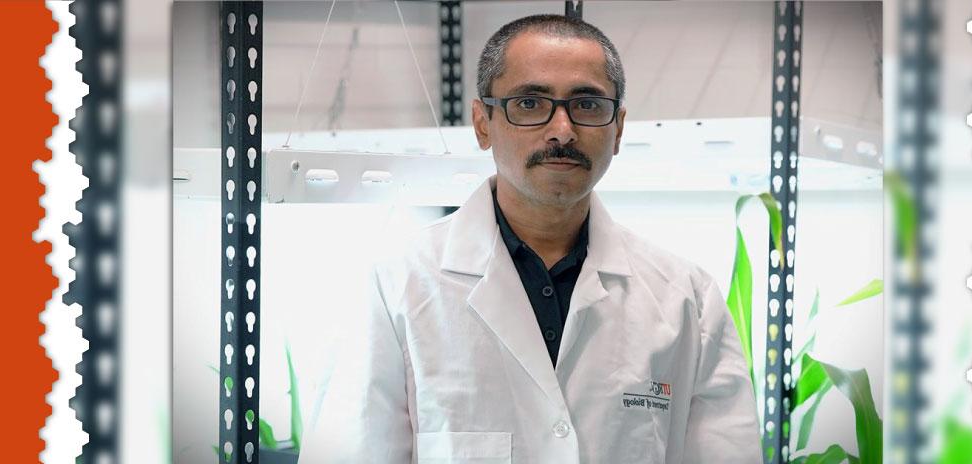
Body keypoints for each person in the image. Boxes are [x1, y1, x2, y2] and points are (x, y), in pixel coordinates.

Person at [301, 13, 760, 464]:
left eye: (587, 105)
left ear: (617, 129)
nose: (562, 130)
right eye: (529, 103)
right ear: (483, 124)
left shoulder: (687, 300)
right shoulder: (396, 287)